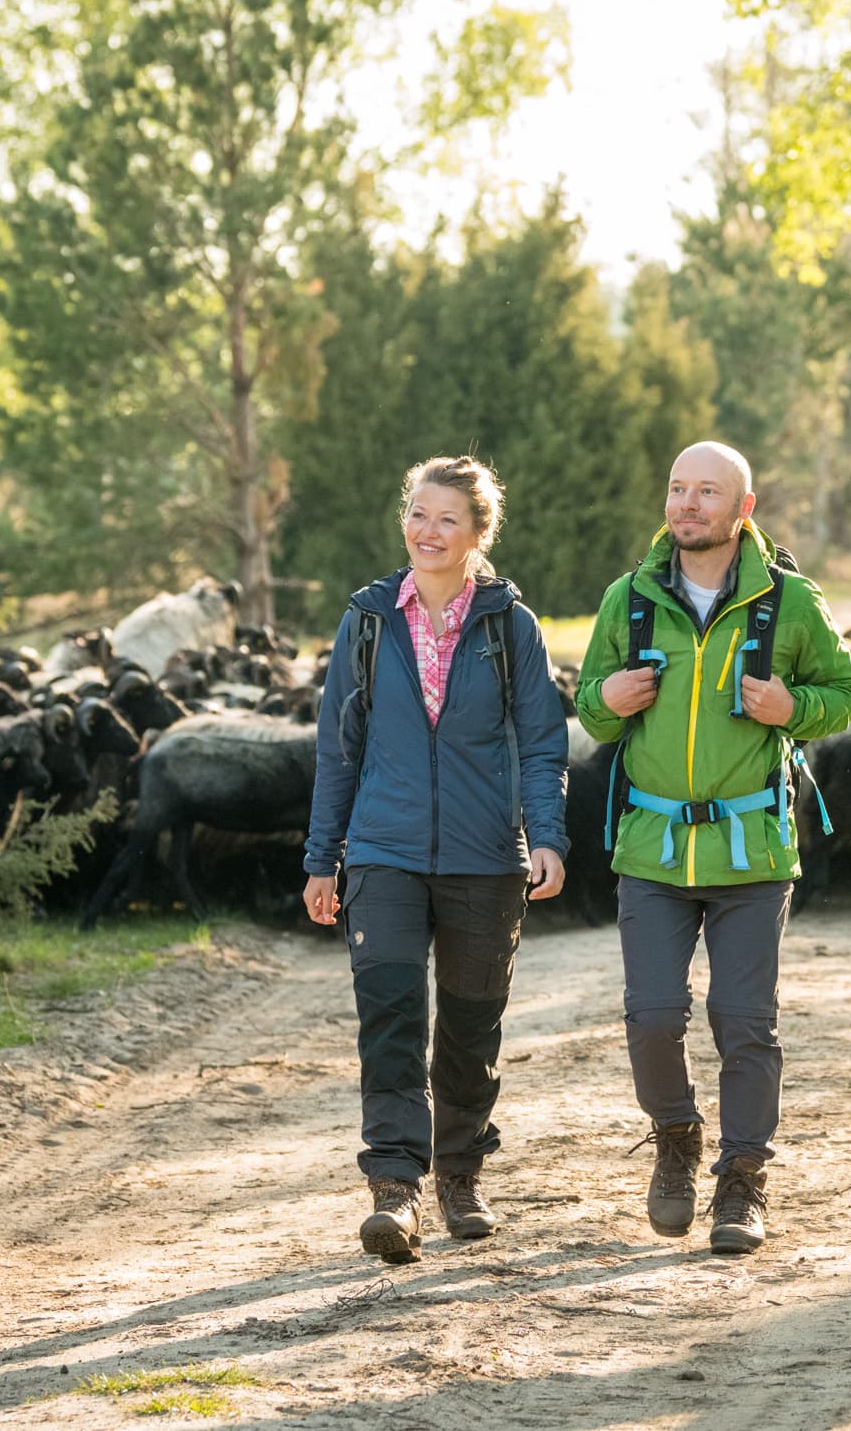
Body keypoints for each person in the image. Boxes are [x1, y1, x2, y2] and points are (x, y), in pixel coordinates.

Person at [573, 441, 851, 1254]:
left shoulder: (790, 601)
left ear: (744, 508)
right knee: (651, 1018)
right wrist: (608, 696)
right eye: (677, 488)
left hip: (751, 851)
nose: (687, 504)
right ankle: (676, 1137)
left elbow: (844, 693)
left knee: (744, 1020)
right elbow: (590, 709)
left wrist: (791, 707)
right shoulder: (628, 599)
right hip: (652, 848)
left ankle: (742, 1178)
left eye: (706, 491)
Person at [301, 455, 569, 1265]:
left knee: (469, 1026)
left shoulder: (510, 626)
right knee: (389, 1015)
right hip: (383, 851)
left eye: (448, 518)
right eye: (418, 513)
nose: (428, 530)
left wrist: (546, 835)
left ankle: (459, 1172)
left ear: (479, 532)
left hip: (485, 858)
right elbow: (338, 747)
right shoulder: (369, 619)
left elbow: (542, 743)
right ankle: (394, 1187)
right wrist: (323, 856)